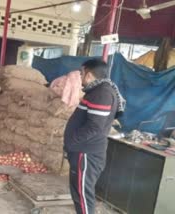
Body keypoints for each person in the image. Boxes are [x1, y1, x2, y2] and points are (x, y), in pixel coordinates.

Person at [63, 59, 125, 214]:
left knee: (83, 195)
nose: (81, 77)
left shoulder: (101, 93)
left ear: (89, 75)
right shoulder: (97, 91)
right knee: (80, 192)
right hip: (84, 151)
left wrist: (72, 141)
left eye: (82, 73)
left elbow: (94, 126)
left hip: (86, 153)